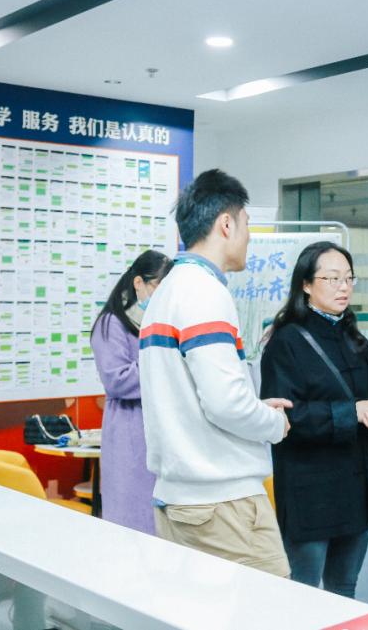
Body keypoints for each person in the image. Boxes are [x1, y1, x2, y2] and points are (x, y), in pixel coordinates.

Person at [139, 168, 293, 576]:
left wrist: (254, 407)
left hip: (183, 499)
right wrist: (273, 423)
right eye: (246, 224)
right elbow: (226, 404)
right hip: (222, 503)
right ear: (227, 224)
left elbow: (196, 396)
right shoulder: (205, 292)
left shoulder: (169, 290)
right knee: (269, 606)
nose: (249, 237)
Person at [260, 241, 368, 597]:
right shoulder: (286, 341)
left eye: (349, 278)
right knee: (303, 592)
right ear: (306, 284)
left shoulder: (356, 340)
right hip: (309, 490)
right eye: (332, 278)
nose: (344, 287)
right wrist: (352, 413)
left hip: (355, 487)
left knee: (344, 589)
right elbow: (284, 417)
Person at [90, 249, 172, 534]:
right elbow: (117, 380)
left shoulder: (157, 324)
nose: (163, 297)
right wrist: (162, 361)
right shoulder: (111, 323)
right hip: (129, 433)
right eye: (158, 287)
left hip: (160, 433)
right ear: (139, 283)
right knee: (131, 523)